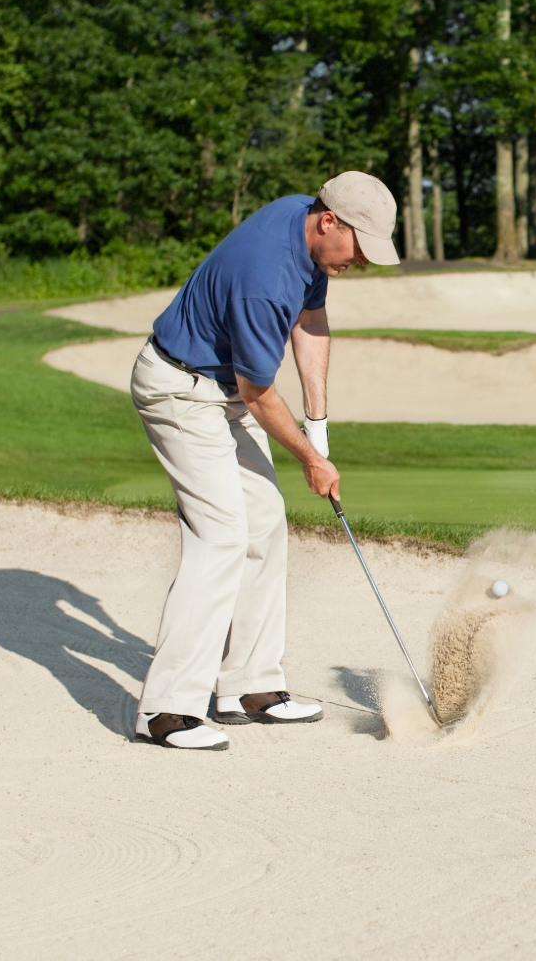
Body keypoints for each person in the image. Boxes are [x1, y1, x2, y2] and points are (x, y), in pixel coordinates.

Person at [128, 171, 398, 750]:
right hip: (180, 390)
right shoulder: (265, 280)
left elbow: (313, 322)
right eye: (359, 248)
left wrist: (318, 427)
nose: (362, 263)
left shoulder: (305, 224)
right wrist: (309, 458)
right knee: (222, 535)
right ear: (330, 221)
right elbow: (258, 393)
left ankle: (249, 686)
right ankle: (166, 710)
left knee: (267, 524)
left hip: (221, 390)